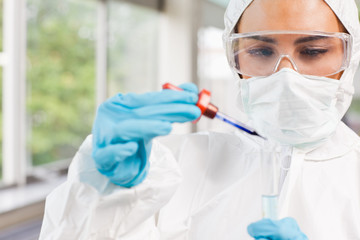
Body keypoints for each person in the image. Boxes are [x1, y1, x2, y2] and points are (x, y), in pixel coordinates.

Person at [39, 0, 360, 239]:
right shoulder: (173, 168)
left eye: (314, 50)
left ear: (350, 56)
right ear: (234, 58)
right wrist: (104, 194)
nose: (286, 77)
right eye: (261, 51)